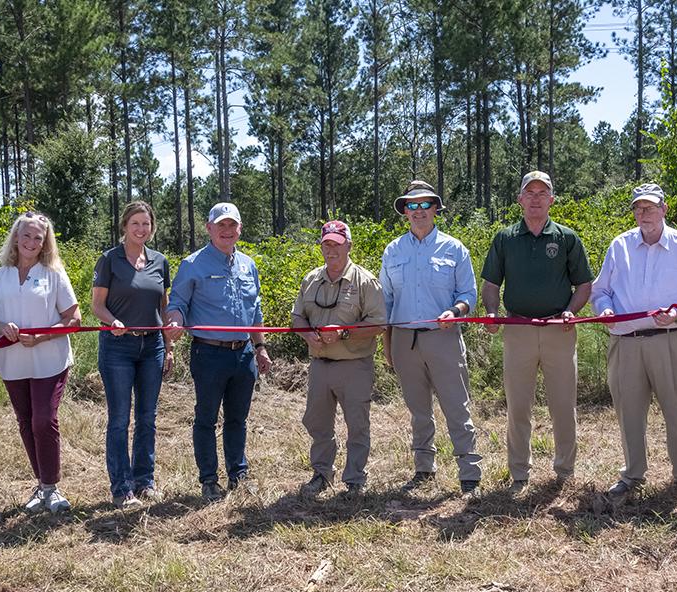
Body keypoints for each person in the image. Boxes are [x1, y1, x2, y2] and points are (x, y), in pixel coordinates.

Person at [590, 183, 677, 504]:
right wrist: (604, 309)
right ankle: (632, 474)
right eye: (637, 208)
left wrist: (676, 315)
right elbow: (600, 290)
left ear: (664, 209)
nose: (643, 214)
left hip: (672, 341)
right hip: (627, 343)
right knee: (628, 411)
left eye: (649, 207)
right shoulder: (620, 246)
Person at [481, 171, 594, 494]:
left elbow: (584, 284)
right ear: (519, 199)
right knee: (518, 405)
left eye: (542, 193)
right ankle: (519, 472)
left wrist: (572, 310)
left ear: (551, 200)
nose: (535, 198)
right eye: (529, 192)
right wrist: (491, 312)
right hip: (517, 330)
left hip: (559, 329)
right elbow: (491, 284)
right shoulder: (505, 238)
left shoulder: (567, 238)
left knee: (563, 405)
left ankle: (564, 471)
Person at [380, 180, 482, 498]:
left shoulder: (454, 249)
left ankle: (469, 473)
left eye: (425, 205)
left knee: (456, 406)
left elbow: (469, 293)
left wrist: (456, 310)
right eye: (413, 205)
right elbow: (385, 302)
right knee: (418, 409)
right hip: (404, 340)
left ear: (436, 209)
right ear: (405, 212)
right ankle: (424, 468)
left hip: (444, 338)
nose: (419, 211)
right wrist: (387, 345)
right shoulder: (393, 251)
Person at [166, 202, 273, 502]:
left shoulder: (248, 265)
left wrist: (260, 347)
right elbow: (177, 305)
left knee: (238, 419)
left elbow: (255, 311)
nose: (227, 231)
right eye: (221, 225)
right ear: (209, 228)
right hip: (209, 354)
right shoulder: (193, 264)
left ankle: (238, 475)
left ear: (240, 229)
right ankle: (209, 480)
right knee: (206, 418)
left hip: (243, 356)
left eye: (232, 225)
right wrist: (175, 322)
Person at [0, 211, 81, 514]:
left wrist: (43, 337)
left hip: (49, 361)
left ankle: (51, 487)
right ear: (15, 237)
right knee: (25, 422)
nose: (31, 241)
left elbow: (74, 319)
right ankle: (42, 485)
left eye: (38, 237)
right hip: (12, 362)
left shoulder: (54, 274)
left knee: (42, 420)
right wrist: (2, 328)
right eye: (26, 235)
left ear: (45, 242)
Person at [292, 220, 387, 497]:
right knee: (317, 423)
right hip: (320, 365)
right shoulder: (311, 280)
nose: (331, 249)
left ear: (349, 245)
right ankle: (322, 474)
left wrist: (344, 333)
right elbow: (298, 317)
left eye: (337, 243)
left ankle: (355, 479)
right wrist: (308, 335)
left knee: (357, 425)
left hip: (354, 365)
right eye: (327, 244)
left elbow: (379, 324)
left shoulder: (365, 282)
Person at [92, 201, 174, 509]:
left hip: (151, 346)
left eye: (146, 224)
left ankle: (144, 480)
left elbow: (163, 308)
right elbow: (97, 304)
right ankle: (121, 486)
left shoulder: (159, 261)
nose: (141, 229)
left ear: (152, 228)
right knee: (118, 419)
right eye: (135, 223)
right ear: (124, 226)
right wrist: (111, 320)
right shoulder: (109, 260)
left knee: (147, 418)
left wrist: (169, 346)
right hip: (117, 348)